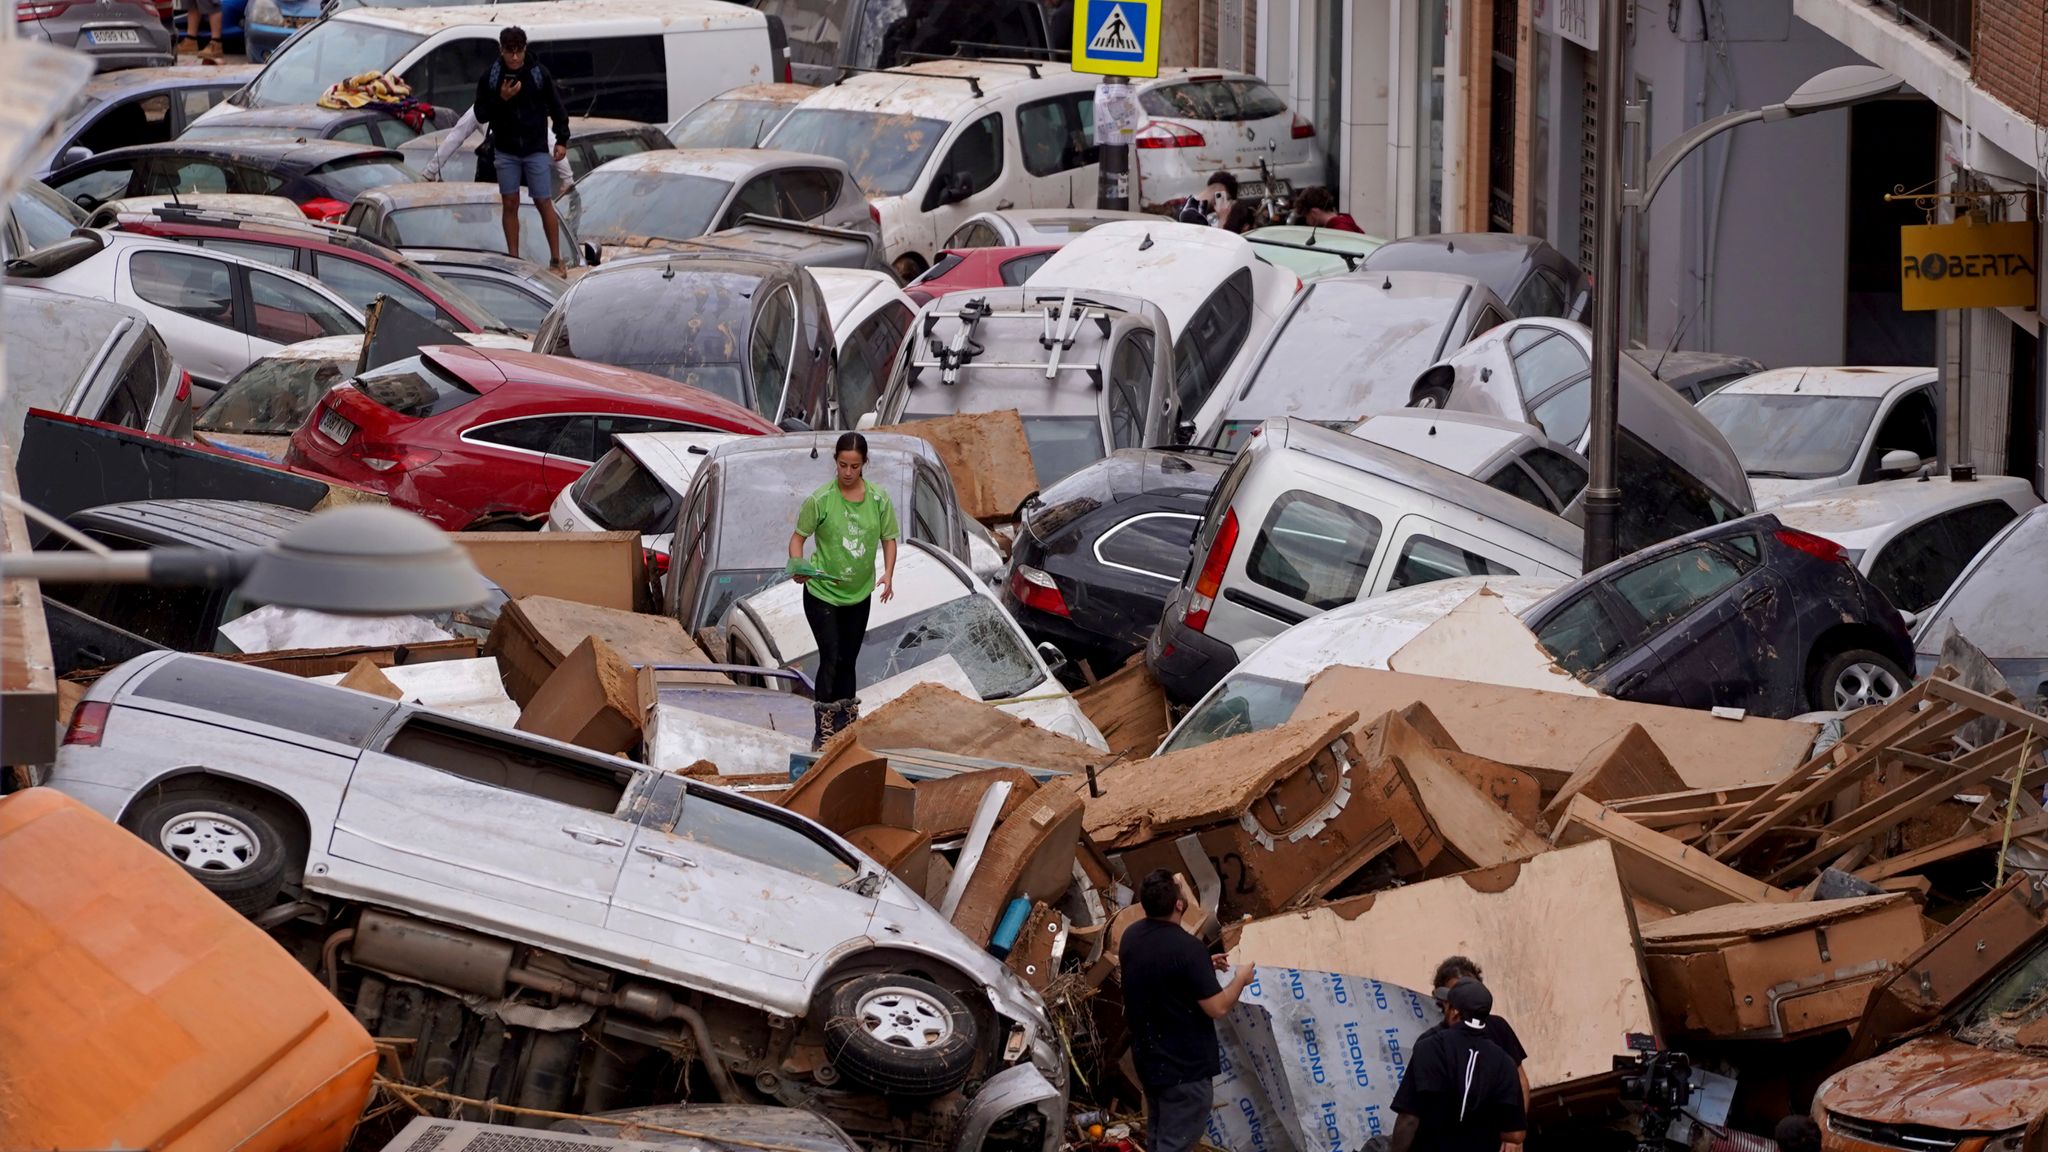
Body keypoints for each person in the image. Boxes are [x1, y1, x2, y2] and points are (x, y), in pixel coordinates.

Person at [1119, 869, 1255, 1152]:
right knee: (1175, 1145)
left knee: (1158, 1139)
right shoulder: (1187, 949)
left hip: (1151, 1063)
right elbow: (1217, 1007)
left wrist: (1203, 964)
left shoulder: (1132, 937)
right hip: (1184, 1071)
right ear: (1179, 905)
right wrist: (1241, 979)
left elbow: (1159, 967)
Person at [788, 433, 898, 749]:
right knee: (832, 656)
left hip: (859, 593)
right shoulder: (820, 500)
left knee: (849, 659)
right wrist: (797, 564)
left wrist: (889, 574)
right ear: (835, 462)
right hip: (823, 592)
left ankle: (847, 723)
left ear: (864, 464)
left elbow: (888, 538)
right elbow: (798, 538)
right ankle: (823, 727)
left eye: (854, 466)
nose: (848, 472)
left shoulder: (879, 500)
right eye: (842, 465)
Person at [471, 27, 572, 274]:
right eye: (510, 52)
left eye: (519, 52)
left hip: (535, 147)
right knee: (510, 201)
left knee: (542, 200)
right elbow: (480, 113)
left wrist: (561, 139)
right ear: (501, 50)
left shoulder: (538, 73)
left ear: (525, 49)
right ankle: (514, 259)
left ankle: (556, 259)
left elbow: (557, 107)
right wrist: (501, 98)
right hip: (505, 149)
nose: (515, 58)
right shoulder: (492, 77)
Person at [1390, 980, 1528, 1152]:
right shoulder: (1505, 1063)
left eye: (1446, 1006)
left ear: (1455, 1012)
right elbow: (1515, 1135)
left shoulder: (1429, 1048)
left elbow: (1408, 1120)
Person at [1429, 956, 1531, 1112]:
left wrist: (1516, 1130)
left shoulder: (1498, 1027)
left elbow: (1520, 1082)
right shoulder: (1432, 1042)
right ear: (1443, 1000)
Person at [421, 105, 573, 191]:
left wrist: (431, 170)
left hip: (494, 183)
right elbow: (551, 142)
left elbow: (456, 136)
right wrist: (567, 179)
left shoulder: (484, 106)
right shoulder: (527, 108)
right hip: (514, 181)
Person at [1176, 171, 1256, 234]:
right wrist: (1223, 219)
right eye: (1227, 199)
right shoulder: (1194, 214)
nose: (1226, 205)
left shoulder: (1188, 205)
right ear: (1221, 194)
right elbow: (1215, 247)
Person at [1295, 185, 1365, 233]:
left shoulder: (1339, 230)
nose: (1307, 221)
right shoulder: (1344, 220)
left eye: (1306, 216)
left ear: (1314, 212)